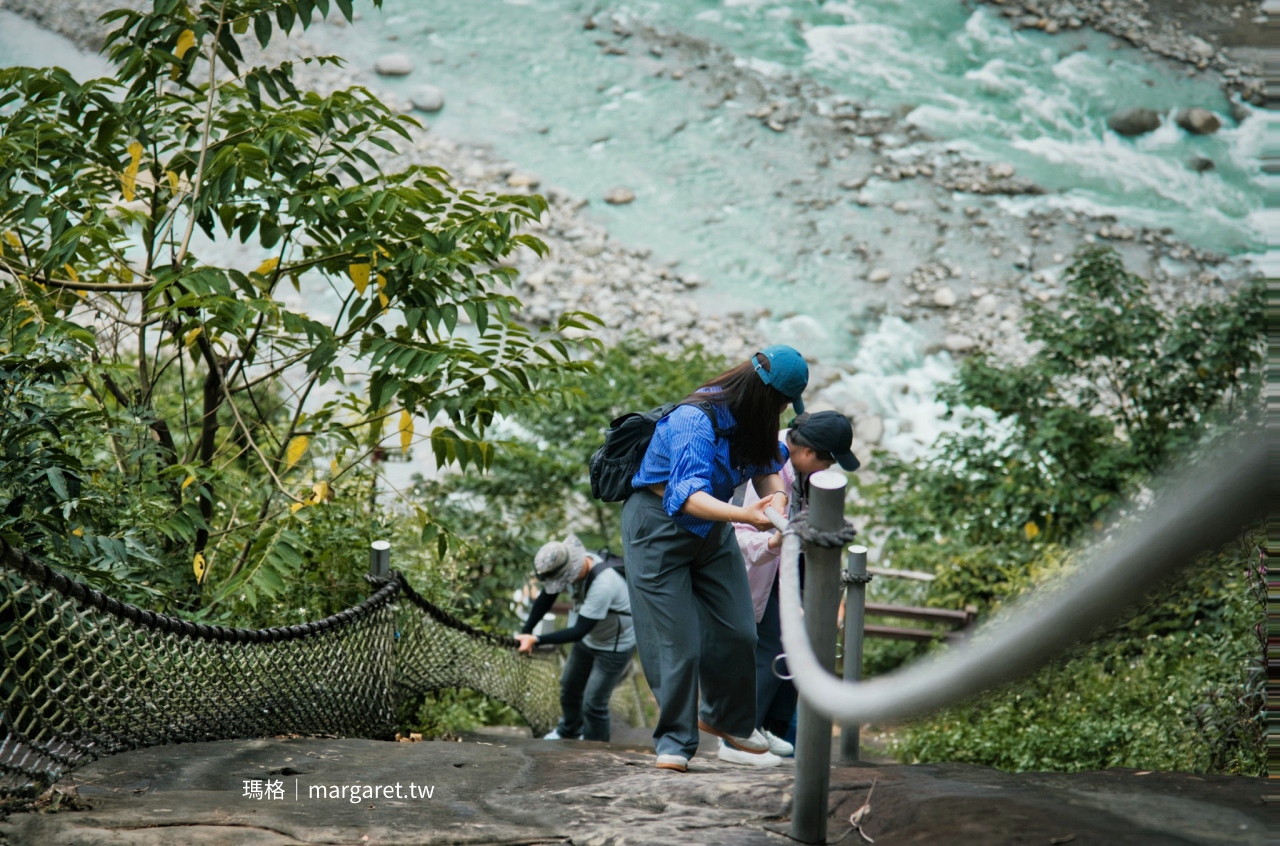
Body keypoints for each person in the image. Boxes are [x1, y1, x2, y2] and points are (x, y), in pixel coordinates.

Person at [622, 345, 808, 772]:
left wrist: (777, 499)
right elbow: (686, 496)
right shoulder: (694, 419)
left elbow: (766, 465)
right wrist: (745, 515)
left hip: (713, 529)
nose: (784, 411)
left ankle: (726, 718)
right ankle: (674, 741)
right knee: (678, 644)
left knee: (740, 631)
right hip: (658, 526)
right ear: (767, 395)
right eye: (783, 402)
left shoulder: (755, 419)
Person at [735, 411, 861, 758]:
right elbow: (737, 533)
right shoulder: (766, 466)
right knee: (774, 646)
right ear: (806, 451)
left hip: (785, 570)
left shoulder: (802, 470)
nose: (829, 468)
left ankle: (767, 729)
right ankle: (739, 734)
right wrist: (773, 543)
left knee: (798, 646)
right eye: (828, 460)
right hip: (756, 569)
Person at [515, 534, 636, 742]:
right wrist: (527, 631)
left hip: (614, 646)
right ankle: (569, 731)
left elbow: (579, 630)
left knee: (594, 703)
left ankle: (595, 748)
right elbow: (547, 597)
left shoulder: (603, 584)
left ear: (572, 571)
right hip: (590, 639)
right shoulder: (571, 564)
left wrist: (537, 640)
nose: (560, 585)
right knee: (569, 687)